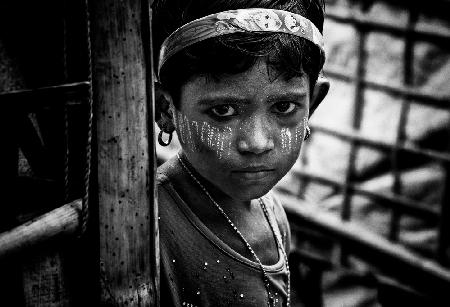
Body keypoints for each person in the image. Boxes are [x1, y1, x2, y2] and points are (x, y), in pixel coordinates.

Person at [152, 0, 330, 305]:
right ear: (166, 109)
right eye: (223, 110)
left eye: (284, 107)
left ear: (312, 103)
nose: (257, 143)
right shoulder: (148, 226)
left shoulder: (273, 215)